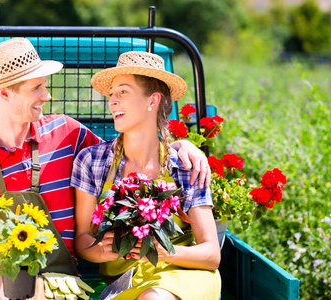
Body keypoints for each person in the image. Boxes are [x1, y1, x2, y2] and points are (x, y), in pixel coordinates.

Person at [0, 38, 211, 300]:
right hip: (0, 268)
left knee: (35, 293)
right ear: (4, 93)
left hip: (59, 277)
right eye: (36, 87)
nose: (47, 96)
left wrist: (179, 146)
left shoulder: (66, 134)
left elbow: (129, 149)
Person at [71, 51, 221, 300]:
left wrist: (165, 251)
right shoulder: (93, 161)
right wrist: (102, 251)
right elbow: (82, 239)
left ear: (152, 101)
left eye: (123, 92)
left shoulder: (184, 165)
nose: (112, 101)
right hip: (125, 280)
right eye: (112, 94)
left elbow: (211, 254)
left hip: (183, 275)